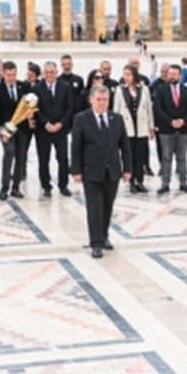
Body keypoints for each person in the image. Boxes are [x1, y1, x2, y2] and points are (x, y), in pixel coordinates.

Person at [71, 85, 132, 258]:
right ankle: (96, 242)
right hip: (91, 171)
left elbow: (125, 146)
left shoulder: (117, 119)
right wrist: (76, 170)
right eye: (98, 99)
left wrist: (127, 168)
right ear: (91, 99)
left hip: (112, 170)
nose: (102, 103)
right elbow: (76, 147)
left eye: (105, 100)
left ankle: (104, 236)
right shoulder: (81, 119)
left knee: (107, 207)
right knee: (94, 208)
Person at [30, 61, 75, 198]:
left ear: (56, 73)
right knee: (44, 158)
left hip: (60, 129)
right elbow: (35, 109)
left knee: (62, 158)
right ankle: (46, 186)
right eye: (47, 72)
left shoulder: (65, 87)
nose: (49, 75)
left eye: (52, 72)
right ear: (43, 73)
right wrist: (46, 124)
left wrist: (61, 124)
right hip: (43, 130)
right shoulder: (37, 88)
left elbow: (70, 107)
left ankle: (63, 185)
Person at [0, 61, 32, 200]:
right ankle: (4, 187)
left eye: (13, 75)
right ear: (3, 74)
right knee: (9, 152)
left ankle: (16, 187)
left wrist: (30, 115)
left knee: (21, 156)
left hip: (22, 128)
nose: (11, 78)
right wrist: (0, 130)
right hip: (6, 129)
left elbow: (29, 105)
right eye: (8, 75)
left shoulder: (23, 87)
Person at [153, 64, 187, 193]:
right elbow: (158, 108)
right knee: (166, 157)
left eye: (174, 74)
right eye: (170, 74)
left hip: (183, 129)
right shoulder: (161, 90)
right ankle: (165, 183)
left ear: (180, 76)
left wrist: (184, 121)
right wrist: (170, 121)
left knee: (182, 157)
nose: (171, 77)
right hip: (166, 129)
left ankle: (183, 182)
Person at [114, 65, 155, 194]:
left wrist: (151, 127)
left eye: (129, 74)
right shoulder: (120, 90)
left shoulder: (144, 89)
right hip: (127, 127)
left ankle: (140, 181)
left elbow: (149, 109)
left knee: (140, 155)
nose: (126, 77)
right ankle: (131, 181)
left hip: (141, 126)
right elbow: (117, 109)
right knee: (129, 155)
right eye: (124, 74)